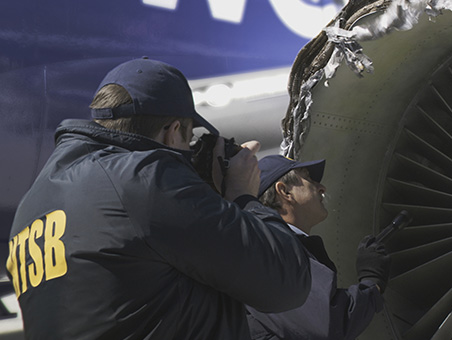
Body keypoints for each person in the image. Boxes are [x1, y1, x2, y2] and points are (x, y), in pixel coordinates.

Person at [5, 58, 311, 339]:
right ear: (173, 131)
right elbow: (286, 283)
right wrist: (243, 196)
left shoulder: (31, 208)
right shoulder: (143, 178)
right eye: (189, 139)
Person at [246, 155, 391, 340]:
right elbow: (330, 324)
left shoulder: (275, 249)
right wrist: (372, 283)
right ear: (284, 192)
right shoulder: (271, 253)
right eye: (308, 179)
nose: (322, 187)